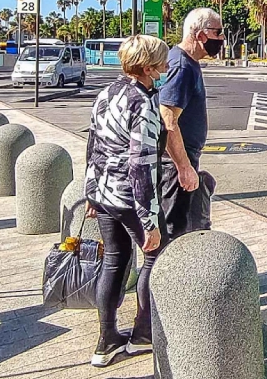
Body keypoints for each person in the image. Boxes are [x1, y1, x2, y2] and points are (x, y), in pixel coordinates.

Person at [84, 35, 168, 367]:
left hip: (103, 191)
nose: (165, 67)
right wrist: (149, 220)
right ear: (147, 68)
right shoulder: (142, 103)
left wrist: (91, 194)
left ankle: (106, 340)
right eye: (161, 62)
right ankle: (142, 334)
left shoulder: (106, 92)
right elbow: (141, 163)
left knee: (115, 260)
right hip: (128, 195)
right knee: (153, 256)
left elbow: (92, 142)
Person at [159, 8, 223, 241]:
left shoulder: (185, 61)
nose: (222, 39)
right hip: (174, 165)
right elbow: (168, 120)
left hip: (178, 160)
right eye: (218, 32)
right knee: (174, 233)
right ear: (201, 35)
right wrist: (184, 168)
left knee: (182, 227)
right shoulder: (183, 67)